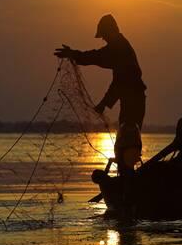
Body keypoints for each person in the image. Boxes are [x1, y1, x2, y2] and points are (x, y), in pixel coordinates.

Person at [54, 14, 146, 174]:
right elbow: (117, 81)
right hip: (131, 100)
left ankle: (127, 176)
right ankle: (127, 174)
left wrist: (74, 54)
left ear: (110, 32)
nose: (103, 39)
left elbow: (97, 58)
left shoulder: (119, 46)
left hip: (133, 101)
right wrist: (104, 103)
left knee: (128, 140)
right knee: (126, 140)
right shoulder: (120, 46)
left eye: (104, 36)